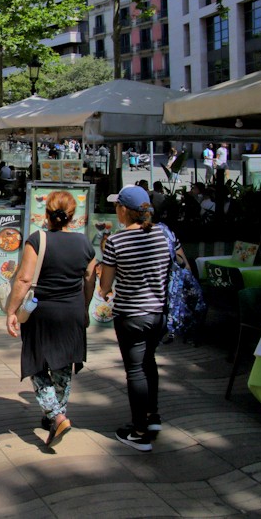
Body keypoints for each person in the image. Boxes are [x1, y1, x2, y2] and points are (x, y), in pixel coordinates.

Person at [5, 191, 96, 448]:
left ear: (47, 213)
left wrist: (11, 311)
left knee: (36, 364)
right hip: (73, 312)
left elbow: (23, 279)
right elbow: (90, 279)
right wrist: (85, 307)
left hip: (42, 313)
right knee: (63, 365)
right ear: (71, 216)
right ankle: (56, 415)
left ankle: (56, 415)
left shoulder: (37, 240)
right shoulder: (85, 244)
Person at [100, 185, 186, 452]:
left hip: (131, 316)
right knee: (149, 362)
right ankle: (152, 416)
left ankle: (139, 432)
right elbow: (183, 263)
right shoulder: (165, 234)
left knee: (135, 370)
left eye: (117, 207)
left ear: (124, 210)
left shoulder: (116, 241)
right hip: (158, 314)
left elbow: (105, 286)